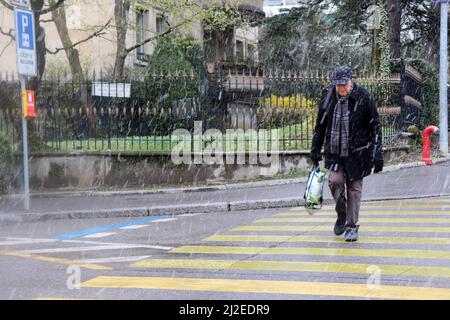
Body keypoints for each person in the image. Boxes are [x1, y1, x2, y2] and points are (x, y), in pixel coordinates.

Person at [310, 66, 384, 242]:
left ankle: (352, 226)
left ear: (351, 81)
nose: (341, 89)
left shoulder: (364, 97)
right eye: (337, 85)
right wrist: (315, 150)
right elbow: (320, 126)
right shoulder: (328, 95)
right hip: (335, 152)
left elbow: (375, 126)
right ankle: (342, 214)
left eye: (343, 84)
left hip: (358, 152)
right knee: (334, 182)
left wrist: (377, 153)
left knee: (354, 190)